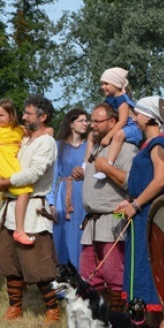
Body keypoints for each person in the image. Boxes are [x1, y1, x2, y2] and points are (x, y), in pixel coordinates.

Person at [112, 96, 164, 328]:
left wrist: (136, 205)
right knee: (142, 263)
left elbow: (160, 181)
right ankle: (148, 322)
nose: (133, 118)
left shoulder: (159, 145)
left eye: (137, 114)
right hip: (142, 211)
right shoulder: (148, 144)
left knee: (152, 264)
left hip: (150, 213)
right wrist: (130, 201)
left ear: (149, 117)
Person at [0, 95, 61, 323]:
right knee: (9, 261)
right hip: (11, 206)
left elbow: (34, 172)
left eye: (28, 113)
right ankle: (15, 307)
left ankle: (52, 309)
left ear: (43, 117)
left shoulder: (46, 142)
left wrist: (6, 181)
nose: (23, 116)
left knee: (39, 264)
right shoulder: (26, 139)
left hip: (32, 208)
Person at [80, 103, 138, 324]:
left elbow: (131, 183)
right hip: (91, 223)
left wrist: (107, 168)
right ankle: (96, 319)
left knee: (115, 277)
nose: (92, 125)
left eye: (97, 121)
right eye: (91, 120)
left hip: (111, 222)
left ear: (113, 122)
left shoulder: (126, 149)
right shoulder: (96, 148)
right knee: (89, 275)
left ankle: (115, 321)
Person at [0, 98, 34, 245]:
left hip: (12, 164)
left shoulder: (19, 129)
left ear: (11, 114)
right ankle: (20, 230)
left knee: (20, 191)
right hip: (2, 165)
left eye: (1, 115)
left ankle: (17, 225)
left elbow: (33, 135)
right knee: (24, 191)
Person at [50, 108, 89, 268]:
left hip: (83, 196)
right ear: (71, 124)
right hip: (64, 197)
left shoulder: (89, 147)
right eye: (81, 121)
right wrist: (51, 203)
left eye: (86, 121)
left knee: (82, 234)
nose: (85, 124)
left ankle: (83, 276)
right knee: (63, 236)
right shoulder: (58, 146)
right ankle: (64, 277)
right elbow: (53, 177)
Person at [93, 67, 143, 181]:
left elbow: (123, 120)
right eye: (102, 84)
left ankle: (108, 165)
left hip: (132, 128)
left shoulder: (122, 100)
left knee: (118, 135)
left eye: (106, 84)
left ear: (116, 84)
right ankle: (86, 164)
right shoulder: (110, 98)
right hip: (123, 126)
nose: (102, 87)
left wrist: (108, 135)